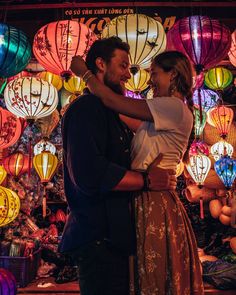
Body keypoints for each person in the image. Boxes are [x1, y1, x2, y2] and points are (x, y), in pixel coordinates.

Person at [70, 48, 204, 294]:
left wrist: (86, 74)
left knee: (151, 276)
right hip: (145, 196)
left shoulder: (172, 107)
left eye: (155, 73)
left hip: (154, 199)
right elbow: (118, 110)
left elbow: (114, 102)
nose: (150, 80)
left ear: (172, 75)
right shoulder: (158, 114)